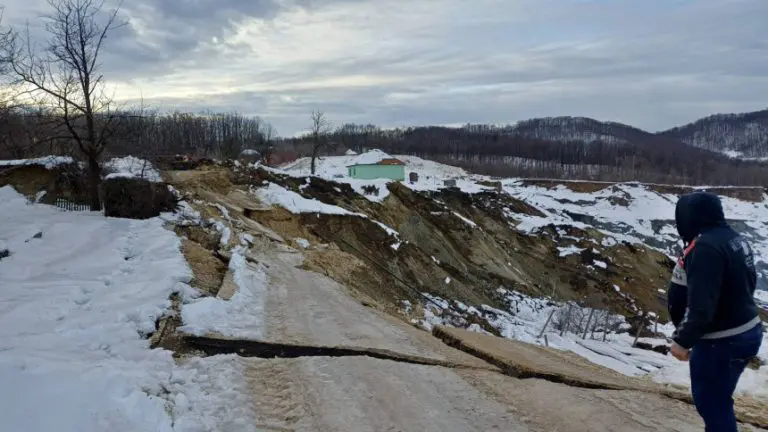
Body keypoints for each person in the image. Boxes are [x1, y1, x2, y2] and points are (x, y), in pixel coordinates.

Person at [667, 191, 763, 432]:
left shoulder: (705, 248)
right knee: (719, 399)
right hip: (745, 330)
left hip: (721, 341)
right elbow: (749, 282)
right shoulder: (732, 238)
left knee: (713, 403)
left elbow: (701, 305)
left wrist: (683, 341)